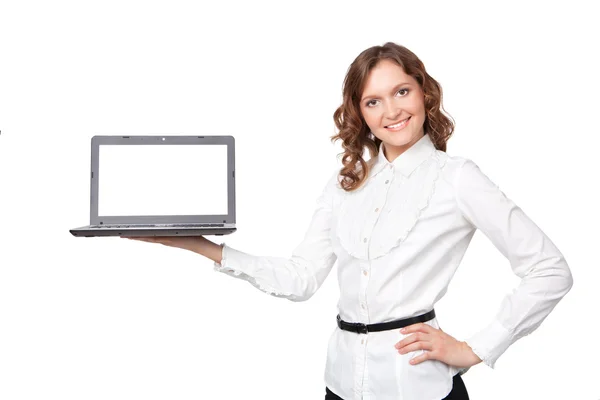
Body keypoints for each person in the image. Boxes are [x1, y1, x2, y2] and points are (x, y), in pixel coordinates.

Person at [125, 42, 574, 400]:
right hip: (340, 385)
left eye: (402, 91)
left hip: (416, 388)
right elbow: (300, 279)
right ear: (360, 113)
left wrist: (476, 348)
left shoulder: (456, 178)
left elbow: (550, 270)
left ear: (424, 92)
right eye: (373, 101)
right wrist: (196, 244)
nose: (392, 111)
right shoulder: (346, 183)